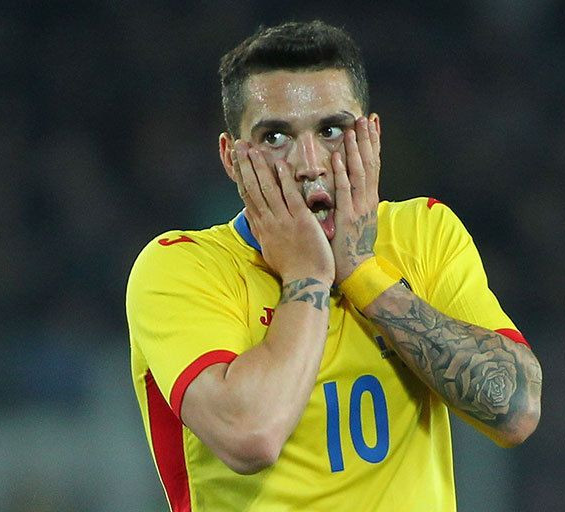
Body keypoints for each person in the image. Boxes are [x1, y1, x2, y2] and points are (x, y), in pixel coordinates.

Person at [126, 20, 542, 512]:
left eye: (331, 130)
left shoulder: (423, 233)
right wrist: (307, 276)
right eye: (275, 136)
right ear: (232, 158)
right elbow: (250, 435)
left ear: (372, 136)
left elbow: (514, 410)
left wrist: (362, 272)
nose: (310, 164)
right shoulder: (181, 268)